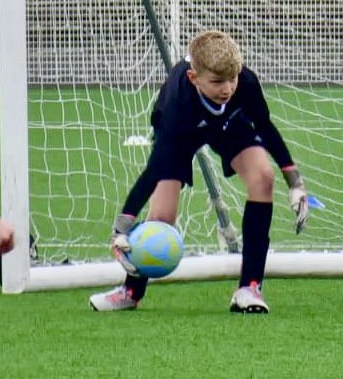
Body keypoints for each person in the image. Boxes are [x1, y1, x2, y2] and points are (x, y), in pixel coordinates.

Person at [89, 30, 309, 313]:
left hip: (230, 124)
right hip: (183, 132)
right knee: (161, 217)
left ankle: (249, 288)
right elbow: (155, 167)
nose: (227, 88)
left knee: (263, 177)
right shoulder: (176, 104)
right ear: (194, 78)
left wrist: (295, 182)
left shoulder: (244, 83)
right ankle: (130, 292)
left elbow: (264, 127)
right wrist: (122, 227)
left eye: (232, 79)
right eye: (217, 82)